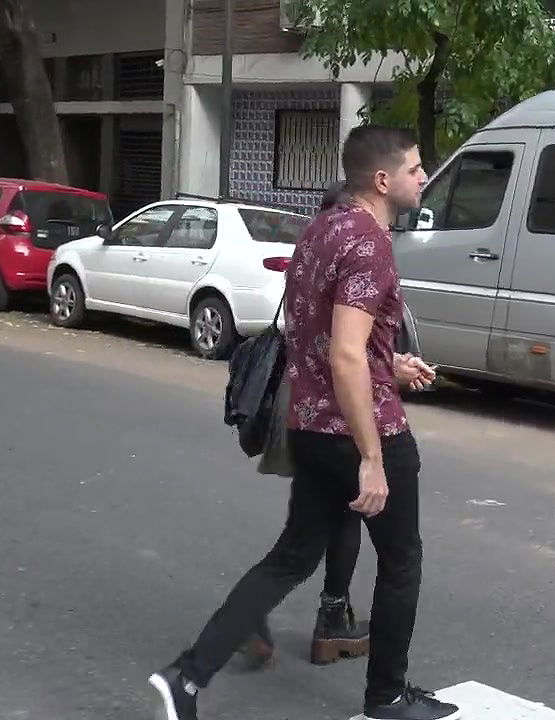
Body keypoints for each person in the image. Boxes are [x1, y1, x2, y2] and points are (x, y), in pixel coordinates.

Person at [150, 126, 459, 720]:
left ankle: (186, 678)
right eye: (416, 167)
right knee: (402, 562)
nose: (424, 176)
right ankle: (387, 698)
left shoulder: (319, 229)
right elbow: (343, 353)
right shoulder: (368, 242)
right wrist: (372, 456)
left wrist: (388, 361)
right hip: (362, 433)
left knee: (290, 559)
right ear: (382, 179)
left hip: (309, 427)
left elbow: (320, 336)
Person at [234, 179, 368, 672]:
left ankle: (293, 617)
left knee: (315, 521)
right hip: (334, 409)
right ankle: (327, 621)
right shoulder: (349, 260)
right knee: (332, 520)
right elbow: (348, 350)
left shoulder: (308, 256)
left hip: (301, 399)